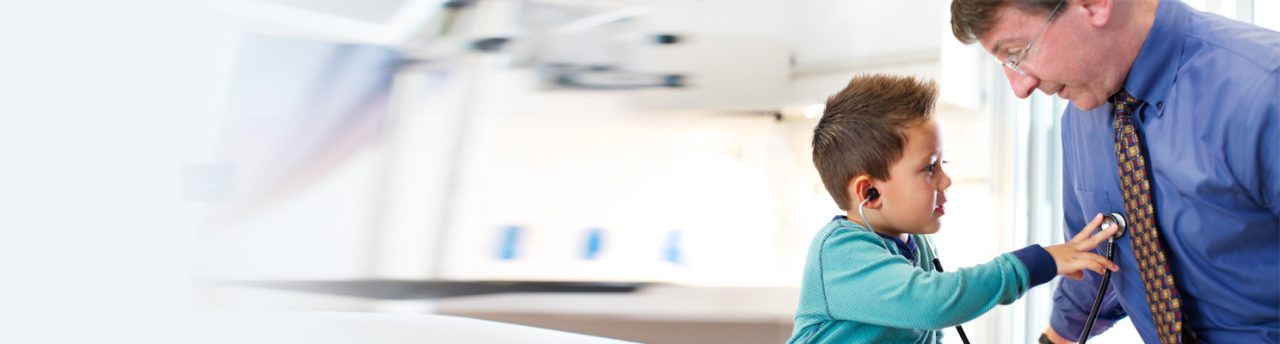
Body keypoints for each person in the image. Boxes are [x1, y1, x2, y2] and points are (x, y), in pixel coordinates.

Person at [950, 0, 1280, 343]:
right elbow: (1095, 258)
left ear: (1094, 5)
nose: (1021, 88)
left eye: (1018, 53)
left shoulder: (1264, 88)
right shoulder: (1082, 118)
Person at [788, 74, 1120, 344]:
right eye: (929, 168)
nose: (945, 181)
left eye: (942, 164)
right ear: (869, 192)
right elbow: (932, 303)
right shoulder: (839, 252)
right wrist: (1037, 263)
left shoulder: (914, 246)